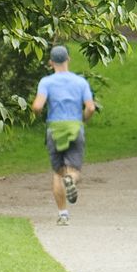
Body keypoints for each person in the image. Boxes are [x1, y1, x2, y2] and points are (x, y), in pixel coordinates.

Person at [32, 44, 96, 226]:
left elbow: (37, 106)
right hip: (75, 127)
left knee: (57, 172)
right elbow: (90, 107)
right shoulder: (80, 82)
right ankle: (71, 180)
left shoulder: (46, 82)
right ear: (68, 59)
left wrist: (38, 115)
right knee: (73, 169)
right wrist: (83, 120)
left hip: (54, 129)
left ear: (51, 62)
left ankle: (63, 213)